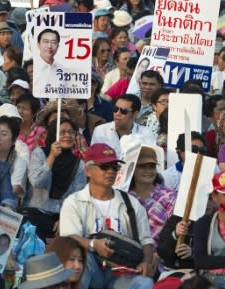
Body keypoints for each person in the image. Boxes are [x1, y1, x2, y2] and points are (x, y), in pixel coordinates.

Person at [58, 143, 155, 289]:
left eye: (114, 167)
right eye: (104, 166)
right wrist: (93, 245)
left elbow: (146, 240)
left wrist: (146, 262)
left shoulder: (131, 203)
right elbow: (68, 238)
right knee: (83, 258)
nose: (110, 171)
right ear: (87, 171)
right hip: (92, 270)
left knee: (145, 283)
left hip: (122, 272)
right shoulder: (74, 202)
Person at [27, 119, 87, 241]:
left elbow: (77, 197)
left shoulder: (79, 164)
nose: (68, 136)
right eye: (62, 132)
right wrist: (51, 157)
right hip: (37, 214)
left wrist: (65, 219)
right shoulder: (39, 153)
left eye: (71, 132)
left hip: (62, 219)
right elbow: (37, 181)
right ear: (53, 134)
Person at [90, 94, 156, 156]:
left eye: (124, 111)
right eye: (115, 109)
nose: (117, 113)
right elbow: (94, 159)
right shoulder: (100, 131)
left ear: (135, 114)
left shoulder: (146, 133)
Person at [33, 29, 62, 93]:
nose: (49, 46)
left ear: (58, 46)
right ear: (38, 44)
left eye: (53, 42)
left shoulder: (62, 69)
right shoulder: (31, 67)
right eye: (46, 42)